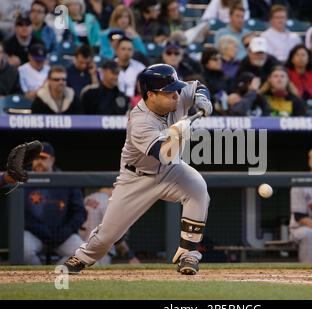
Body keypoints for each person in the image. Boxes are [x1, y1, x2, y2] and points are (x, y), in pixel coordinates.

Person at [63, 63, 213, 275]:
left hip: (170, 172)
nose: (176, 96)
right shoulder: (140, 120)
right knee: (107, 236)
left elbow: (198, 86)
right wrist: (179, 132)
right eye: (169, 92)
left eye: (176, 90)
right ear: (151, 95)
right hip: (137, 178)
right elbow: (163, 154)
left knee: (198, 188)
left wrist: (201, 98)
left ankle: (189, 254)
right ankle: (81, 257)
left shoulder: (176, 96)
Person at [24, 142, 87, 265]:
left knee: (83, 254)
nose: (38, 162)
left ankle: (57, 276)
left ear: (52, 160)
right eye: (35, 159)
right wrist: (40, 230)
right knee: (24, 250)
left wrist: (65, 231)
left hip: (61, 235)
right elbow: (19, 215)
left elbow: (80, 213)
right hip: (34, 234)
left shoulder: (67, 181)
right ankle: (36, 278)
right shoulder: (24, 180)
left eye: (42, 158)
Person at [81, 188, 140, 264]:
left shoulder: (86, 199)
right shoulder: (108, 202)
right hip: (101, 255)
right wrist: (130, 256)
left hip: (81, 249)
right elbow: (114, 234)